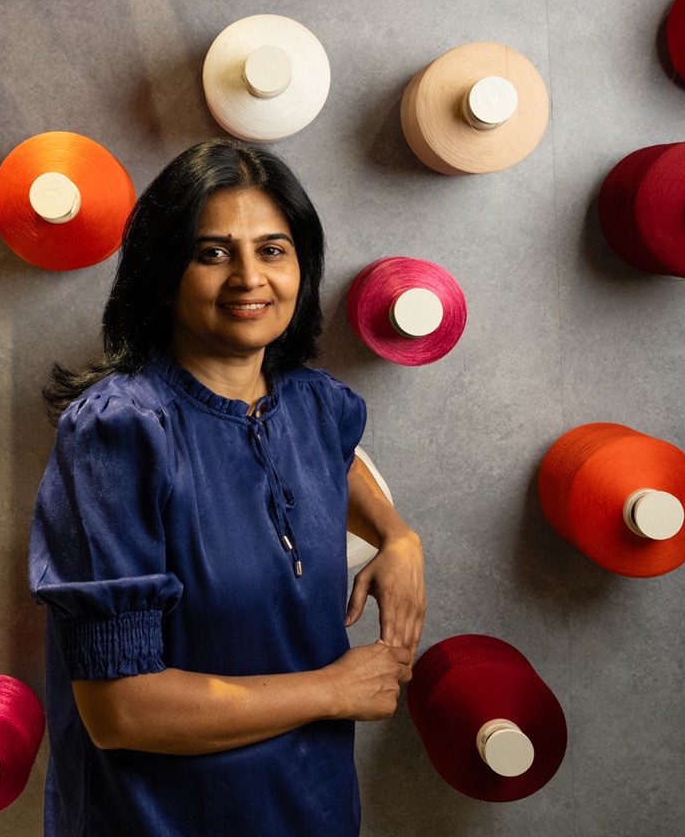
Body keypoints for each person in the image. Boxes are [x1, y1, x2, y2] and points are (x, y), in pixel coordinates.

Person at [28, 139, 426, 836]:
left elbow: (334, 456)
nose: (250, 277)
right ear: (162, 272)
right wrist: (334, 689)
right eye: (212, 252)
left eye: (273, 249)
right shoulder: (120, 434)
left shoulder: (311, 403)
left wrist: (397, 535)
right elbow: (121, 710)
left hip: (316, 810)